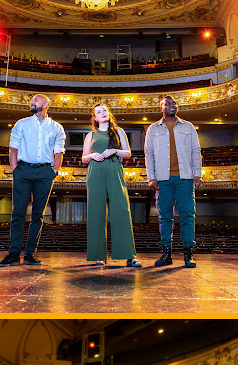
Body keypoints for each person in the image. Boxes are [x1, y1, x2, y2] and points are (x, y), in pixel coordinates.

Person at [0, 94, 65, 267]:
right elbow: (13, 148)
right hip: (23, 170)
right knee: (18, 213)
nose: (31, 102)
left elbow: (59, 152)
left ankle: (30, 253)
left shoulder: (57, 127)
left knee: (38, 215)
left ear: (45, 104)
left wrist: (54, 172)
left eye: (35, 100)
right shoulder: (22, 124)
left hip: (45, 172)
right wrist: (16, 171)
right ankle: (13, 254)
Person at [145, 95, 202, 268]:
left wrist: (197, 174)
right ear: (161, 108)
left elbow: (195, 150)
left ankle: (188, 255)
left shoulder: (188, 127)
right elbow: (149, 154)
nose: (172, 106)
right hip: (163, 179)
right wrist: (151, 177)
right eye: (167, 103)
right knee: (164, 217)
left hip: (185, 178)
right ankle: (166, 254)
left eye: (174, 103)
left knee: (187, 216)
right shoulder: (153, 129)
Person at [83, 104, 140, 268]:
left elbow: (128, 153)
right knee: (96, 211)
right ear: (94, 117)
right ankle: (98, 255)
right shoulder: (90, 135)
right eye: (98, 112)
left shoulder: (119, 131)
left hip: (114, 169)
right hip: (96, 171)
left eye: (104, 111)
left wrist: (114, 151)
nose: (102, 113)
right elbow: (84, 158)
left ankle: (129, 255)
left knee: (121, 209)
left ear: (109, 114)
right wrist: (92, 155)